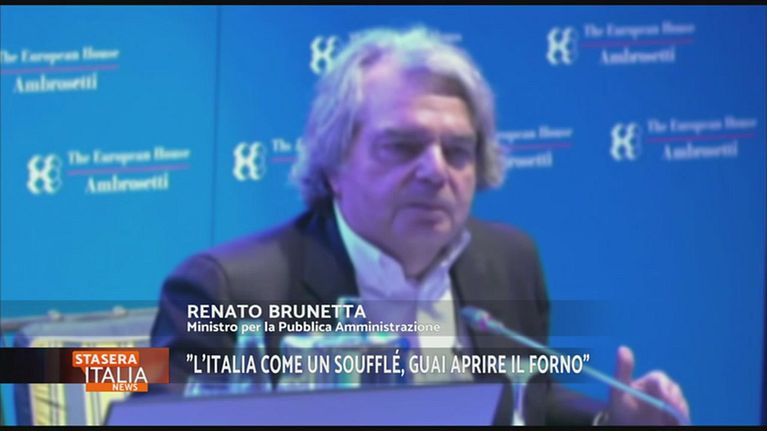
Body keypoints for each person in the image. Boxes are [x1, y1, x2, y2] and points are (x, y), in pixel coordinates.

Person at [150, 26, 690, 425]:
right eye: (403, 146)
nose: (435, 171)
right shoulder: (227, 287)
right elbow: (151, 409)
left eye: (458, 150)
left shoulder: (508, 261)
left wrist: (611, 421)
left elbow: (530, 400)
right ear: (335, 162)